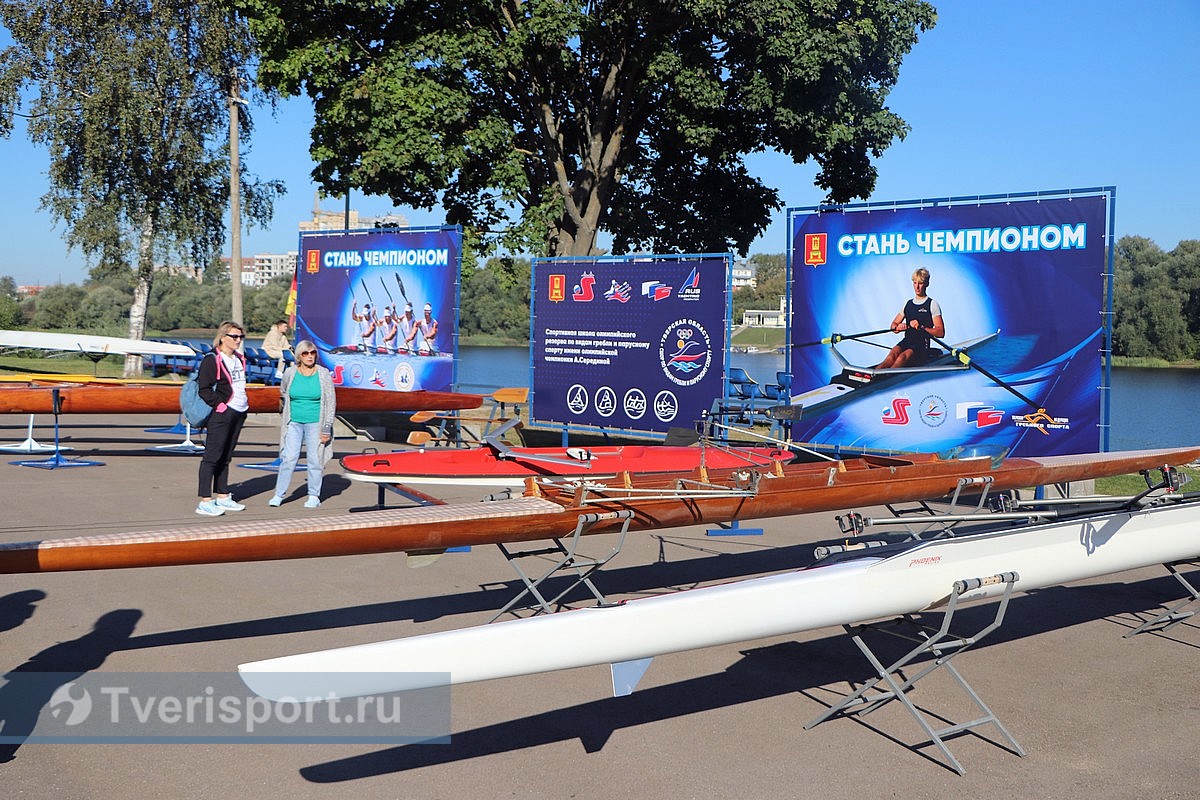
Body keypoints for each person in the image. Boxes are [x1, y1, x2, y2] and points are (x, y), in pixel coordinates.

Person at [267, 340, 336, 509]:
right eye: (306, 353)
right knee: (288, 458)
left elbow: (331, 402)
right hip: (293, 422)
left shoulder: (323, 374)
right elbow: (283, 392)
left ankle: (314, 495)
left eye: (312, 353)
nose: (310, 356)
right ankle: (279, 494)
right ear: (299, 355)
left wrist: (326, 428)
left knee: (314, 460)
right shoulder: (290, 372)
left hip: (315, 423)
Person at [195, 321, 251, 516]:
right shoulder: (212, 359)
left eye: (240, 337)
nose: (238, 340)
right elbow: (203, 389)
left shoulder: (239, 359)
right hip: (222, 413)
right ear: (223, 337)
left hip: (239, 411)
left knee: (226, 457)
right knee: (212, 457)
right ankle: (205, 500)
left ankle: (223, 495)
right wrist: (220, 405)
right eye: (234, 337)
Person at [876, 268, 945, 369]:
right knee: (891, 356)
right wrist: (898, 327)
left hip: (922, 346)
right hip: (907, 341)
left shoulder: (932, 304)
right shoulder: (907, 304)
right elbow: (893, 326)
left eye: (920, 283)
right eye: (915, 283)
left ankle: (884, 379)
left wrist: (922, 327)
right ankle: (874, 378)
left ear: (926, 284)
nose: (917, 287)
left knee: (902, 357)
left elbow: (941, 332)